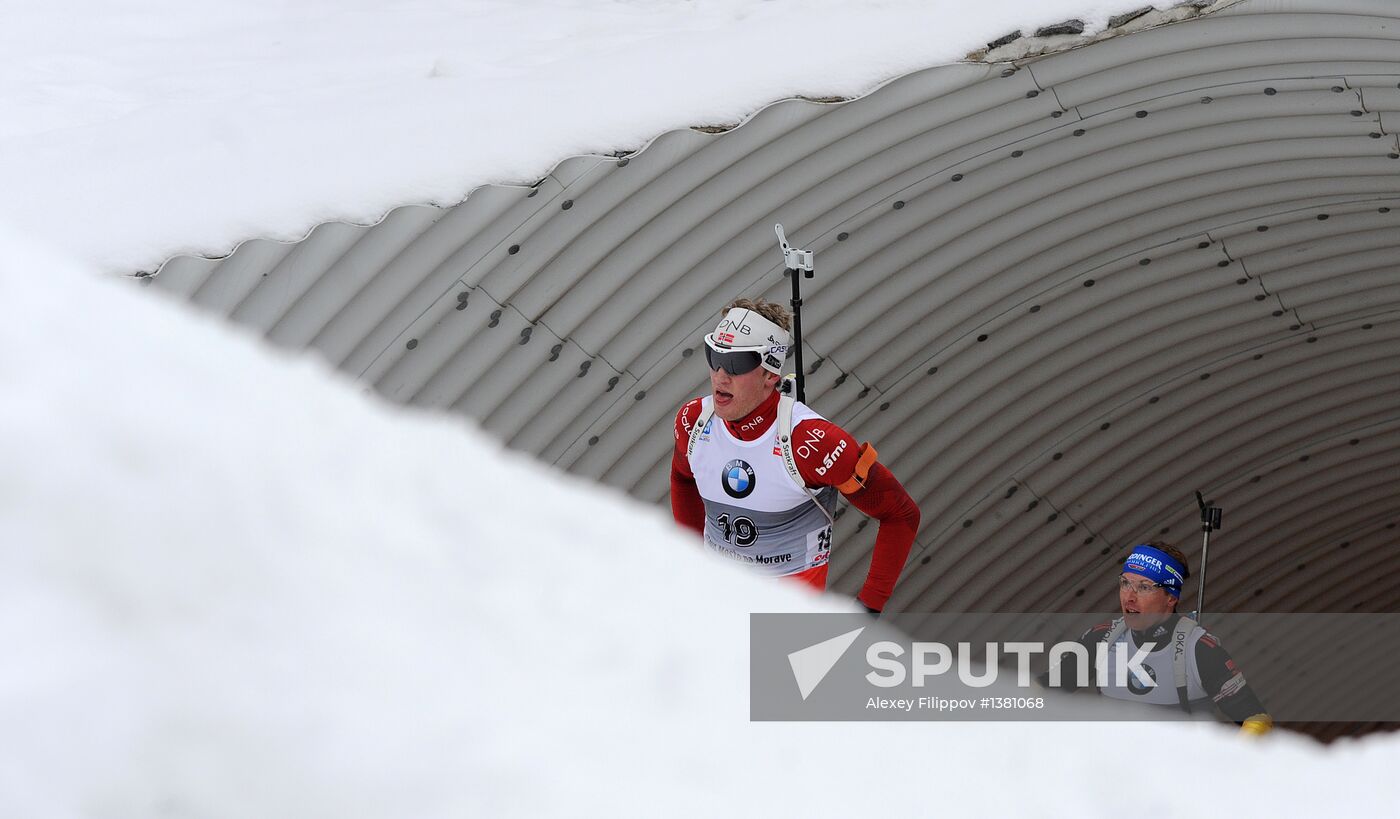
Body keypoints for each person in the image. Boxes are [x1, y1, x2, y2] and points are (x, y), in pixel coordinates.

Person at [669, 297, 921, 613]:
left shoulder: (812, 443)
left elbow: (900, 514)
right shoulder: (694, 421)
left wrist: (869, 606)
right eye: (714, 356)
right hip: (717, 610)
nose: (720, 375)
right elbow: (682, 478)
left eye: (736, 364)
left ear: (770, 375)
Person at [1041, 542, 1273, 735]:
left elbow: (1256, 719)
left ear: (1171, 597)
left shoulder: (1199, 651)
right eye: (1125, 583)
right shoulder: (1103, 640)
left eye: (1144, 587)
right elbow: (1041, 693)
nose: (1129, 597)